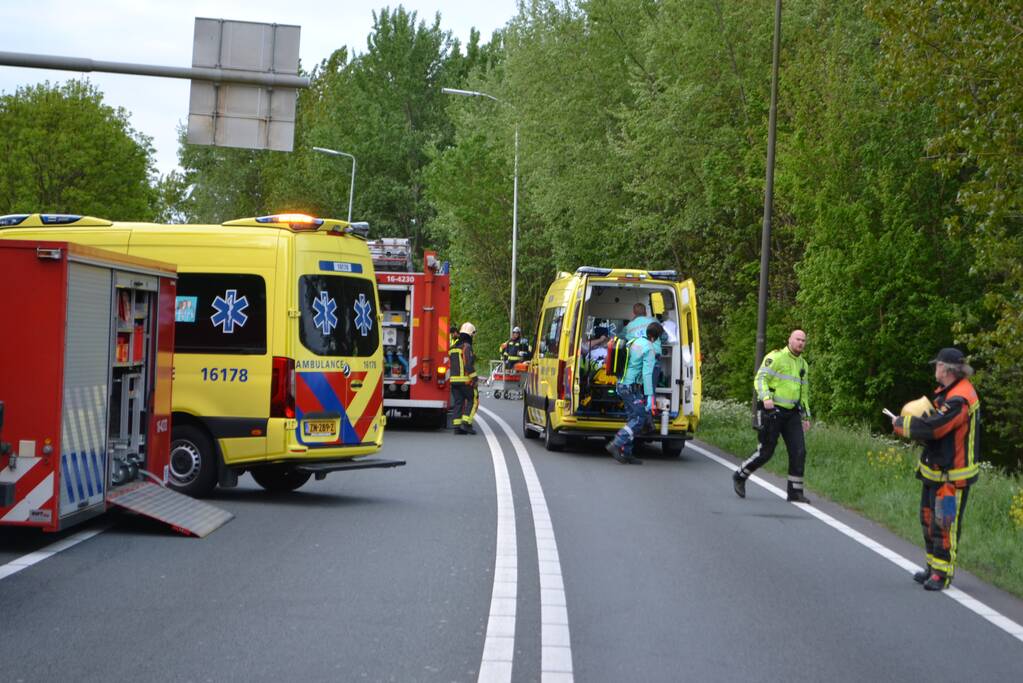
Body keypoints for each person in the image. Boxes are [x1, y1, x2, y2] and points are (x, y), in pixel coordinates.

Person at [891, 348, 980, 592]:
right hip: (935, 473)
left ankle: (942, 573)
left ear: (947, 369)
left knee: (945, 523)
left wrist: (902, 425)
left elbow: (935, 429)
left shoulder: (959, 399)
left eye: (937, 365)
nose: (935, 369)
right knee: (929, 520)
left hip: (952, 479)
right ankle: (932, 567)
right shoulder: (949, 392)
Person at [733, 329, 812, 503]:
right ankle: (740, 475)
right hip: (772, 411)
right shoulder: (776, 357)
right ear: (789, 340)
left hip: (792, 413)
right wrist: (766, 397)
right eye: (798, 339)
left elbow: (804, 392)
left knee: (799, 451)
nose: (801, 343)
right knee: (766, 452)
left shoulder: (803, 365)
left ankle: (795, 492)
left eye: (803, 340)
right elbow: (760, 379)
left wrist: (806, 416)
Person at [605, 321, 663, 465]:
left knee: (633, 417)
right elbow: (647, 373)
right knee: (639, 418)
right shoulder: (649, 349)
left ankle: (627, 453)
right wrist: (650, 396)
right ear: (656, 338)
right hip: (631, 387)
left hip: (621, 384)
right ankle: (617, 443)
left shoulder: (633, 341)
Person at [449, 322, 479, 435]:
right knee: (473, 400)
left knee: (458, 402)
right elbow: (468, 364)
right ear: (470, 335)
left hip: (453, 381)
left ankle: (457, 427)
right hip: (465, 381)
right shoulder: (466, 347)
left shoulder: (452, 348)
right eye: (472, 335)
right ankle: (466, 423)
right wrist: (474, 378)